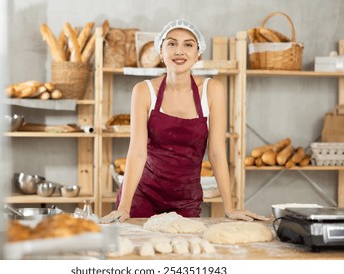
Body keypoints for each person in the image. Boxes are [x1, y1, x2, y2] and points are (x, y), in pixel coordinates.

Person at [100, 19, 268, 223]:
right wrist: (124, 206)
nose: (179, 51)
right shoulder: (143, 91)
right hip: (141, 197)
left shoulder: (212, 91)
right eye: (171, 43)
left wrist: (230, 208)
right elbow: (137, 152)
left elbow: (216, 152)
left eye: (188, 44)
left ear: (198, 54)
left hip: (186, 200)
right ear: (161, 52)